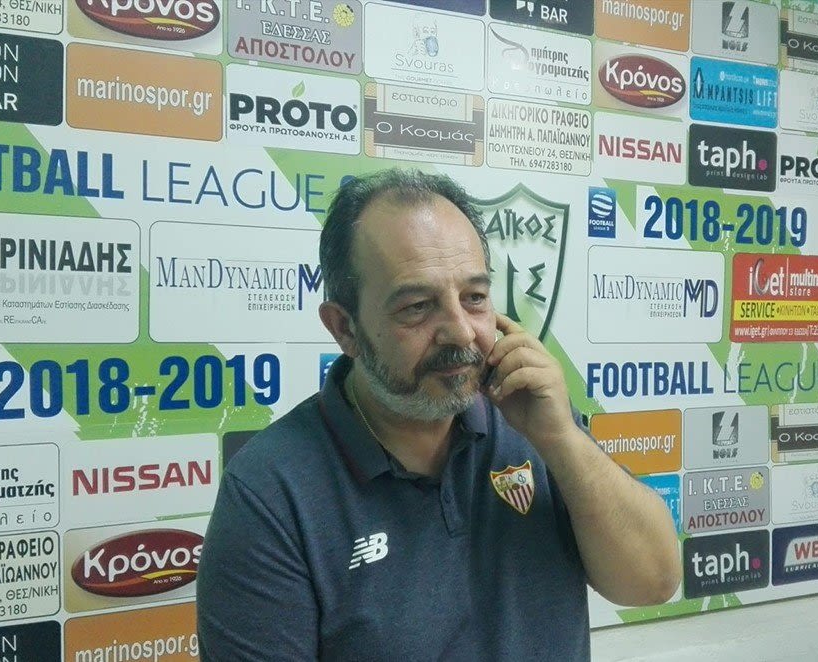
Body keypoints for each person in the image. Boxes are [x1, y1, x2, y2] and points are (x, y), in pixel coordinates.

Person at [197, 169, 681, 660]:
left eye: (474, 298)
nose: (461, 332)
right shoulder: (271, 491)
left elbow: (653, 583)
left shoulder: (533, 421)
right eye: (417, 306)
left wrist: (562, 439)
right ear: (344, 328)